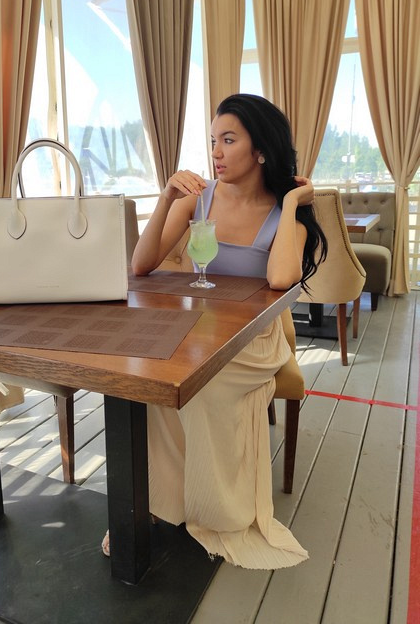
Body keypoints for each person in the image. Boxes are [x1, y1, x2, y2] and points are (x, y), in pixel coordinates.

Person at [102, 93, 327, 568]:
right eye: (212, 141)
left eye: (228, 140)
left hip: (255, 340)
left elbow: (281, 280)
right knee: (154, 382)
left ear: (260, 150)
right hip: (199, 332)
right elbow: (141, 265)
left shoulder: (286, 212)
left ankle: (213, 507)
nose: (216, 153)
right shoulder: (198, 200)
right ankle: (164, 502)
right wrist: (166, 198)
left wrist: (290, 202)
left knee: (199, 386)